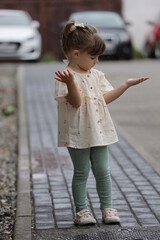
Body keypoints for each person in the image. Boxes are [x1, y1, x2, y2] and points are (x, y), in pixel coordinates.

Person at [54, 20, 149, 226]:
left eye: (98, 57)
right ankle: (82, 211)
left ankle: (107, 208)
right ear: (77, 53)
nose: (96, 61)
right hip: (77, 132)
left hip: (99, 129)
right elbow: (77, 103)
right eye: (93, 57)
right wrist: (71, 84)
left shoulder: (96, 75)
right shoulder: (66, 77)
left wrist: (125, 85)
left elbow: (104, 99)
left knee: (103, 171)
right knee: (81, 172)